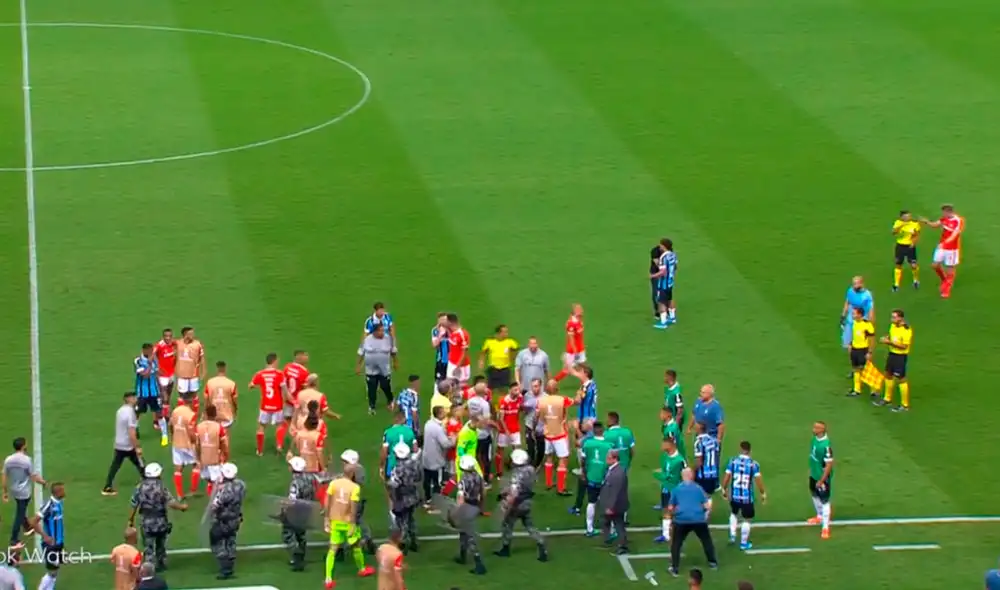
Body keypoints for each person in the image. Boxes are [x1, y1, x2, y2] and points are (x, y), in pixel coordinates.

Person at [323, 463, 376, 588]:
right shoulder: (354, 487)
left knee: (332, 549)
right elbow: (353, 507)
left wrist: (326, 518)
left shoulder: (334, 483)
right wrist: (352, 524)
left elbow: (327, 501)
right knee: (356, 544)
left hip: (335, 520)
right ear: (352, 474)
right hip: (347, 522)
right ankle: (362, 569)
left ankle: (328, 578)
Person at [128, 462, 188, 570]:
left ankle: (149, 568)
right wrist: (182, 507)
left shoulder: (139, 487)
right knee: (161, 544)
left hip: (146, 522)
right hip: (161, 521)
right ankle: (161, 564)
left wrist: (130, 520)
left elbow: (133, 505)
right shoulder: (161, 487)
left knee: (148, 546)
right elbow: (171, 502)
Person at [494, 449, 547, 561]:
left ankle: (505, 548)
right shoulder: (531, 469)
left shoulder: (516, 474)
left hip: (517, 503)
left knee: (507, 524)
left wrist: (507, 505)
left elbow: (514, 492)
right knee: (529, 525)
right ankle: (541, 543)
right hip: (527, 501)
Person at [667, 468, 718, 577]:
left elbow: (670, 507)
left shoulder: (676, 489)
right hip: (698, 519)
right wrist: (704, 513)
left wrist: (674, 516)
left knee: (676, 543)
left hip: (681, 520)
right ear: (692, 476)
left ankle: (675, 568)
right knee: (706, 540)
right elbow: (706, 506)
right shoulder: (698, 488)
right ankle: (712, 562)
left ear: (682, 476)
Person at [721, 441, 766, 550]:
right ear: (750, 451)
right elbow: (758, 480)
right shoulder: (753, 464)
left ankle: (732, 535)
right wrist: (762, 492)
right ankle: (743, 543)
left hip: (735, 496)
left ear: (740, 449)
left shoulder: (732, 461)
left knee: (734, 513)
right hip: (747, 498)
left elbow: (727, 477)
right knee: (747, 519)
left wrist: (724, 488)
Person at [2, 437, 45, 546]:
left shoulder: (8, 460)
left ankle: (26, 525)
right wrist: (43, 482)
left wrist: (5, 492)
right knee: (19, 514)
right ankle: (14, 538)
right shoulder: (27, 460)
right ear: (23, 446)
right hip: (24, 492)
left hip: (14, 490)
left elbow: (4, 476)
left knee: (21, 508)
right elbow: (33, 476)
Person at [103, 392, 144, 496]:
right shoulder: (130, 413)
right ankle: (149, 482)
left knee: (115, 465)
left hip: (119, 443)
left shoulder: (120, 410)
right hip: (128, 445)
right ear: (129, 399)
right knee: (140, 462)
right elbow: (131, 432)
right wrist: (137, 446)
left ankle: (107, 486)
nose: (136, 399)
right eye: (134, 397)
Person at [209, 463, 246, 579]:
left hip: (223, 520)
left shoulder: (224, 490)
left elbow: (215, 505)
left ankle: (225, 569)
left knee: (218, 542)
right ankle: (230, 566)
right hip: (235, 519)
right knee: (231, 541)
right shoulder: (241, 485)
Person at [920, 203, 964, 298]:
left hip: (952, 249)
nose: (943, 214)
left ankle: (946, 290)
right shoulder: (944, 218)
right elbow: (935, 225)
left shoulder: (958, 221)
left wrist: (945, 243)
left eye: (944, 212)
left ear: (950, 212)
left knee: (950, 269)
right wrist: (926, 222)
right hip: (942, 247)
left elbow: (954, 235)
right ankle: (944, 279)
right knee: (935, 265)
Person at [538, 380, 574, 495]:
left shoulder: (541, 401)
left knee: (549, 457)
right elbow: (576, 401)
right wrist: (580, 394)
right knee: (563, 459)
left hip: (548, 434)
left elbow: (540, 417)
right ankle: (560, 488)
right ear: (557, 389)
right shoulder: (562, 399)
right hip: (559, 434)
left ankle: (548, 483)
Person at [578, 422, 614, 537]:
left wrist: (583, 473)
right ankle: (611, 529)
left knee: (591, 502)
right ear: (603, 431)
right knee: (609, 503)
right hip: (605, 477)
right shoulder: (609, 445)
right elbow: (613, 463)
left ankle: (589, 529)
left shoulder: (587, 443)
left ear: (593, 431)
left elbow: (583, 460)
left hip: (591, 476)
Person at [453, 455, 487, 575]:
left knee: (470, 536)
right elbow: (483, 492)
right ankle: (462, 556)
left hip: (466, 507)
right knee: (463, 532)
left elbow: (460, 498)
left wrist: (457, 511)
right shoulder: (478, 476)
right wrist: (482, 507)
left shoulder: (463, 479)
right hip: (475, 506)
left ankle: (479, 564)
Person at [250, 353, 289, 456]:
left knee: (261, 427)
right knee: (280, 425)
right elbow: (284, 390)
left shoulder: (260, 374)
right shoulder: (279, 374)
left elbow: (251, 385)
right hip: (277, 405)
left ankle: (259, 451)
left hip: (265, 405)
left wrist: (257, 385)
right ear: (274, 361)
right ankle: (279, 446)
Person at [282, 456, 317, 571]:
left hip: (295, 512)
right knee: (301, 535)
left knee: (288, 535)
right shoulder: (310, 478)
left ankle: (296, 558)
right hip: (307, 510)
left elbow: (292, 500)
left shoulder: (295, 483)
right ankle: (301, 555)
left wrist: (284, 510)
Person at [876, 308, 914, 412]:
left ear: (900, 318)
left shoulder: (907, 330)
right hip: (892, 354)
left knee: (901, 379)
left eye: (894, 317)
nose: (892, 319)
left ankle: (905, 405)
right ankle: (887, 399)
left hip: (900, 357)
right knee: (888, 374)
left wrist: (889, 342)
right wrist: (886, 338)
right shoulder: (893, 326)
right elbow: (891, 335)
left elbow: (904, 346)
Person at [387, 444, 421, 554]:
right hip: (414, 495)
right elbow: (419, 477)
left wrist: (392, 497)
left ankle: (403, 543)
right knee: (410, 518)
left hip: (402, 497)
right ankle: (414, 541)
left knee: (402, 521)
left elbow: (394, 485)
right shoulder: (415, 464)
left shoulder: (397, 469)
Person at [357, 324, 398, 415]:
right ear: (375, 332)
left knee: (385, 385)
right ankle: (372, 406)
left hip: (384, 368)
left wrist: (395, 362)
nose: (382, 332)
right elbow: (361, 352)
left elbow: (393, 351)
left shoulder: (388, 339)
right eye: (380, 331)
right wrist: (358, 365)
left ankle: (390, 399)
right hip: (370, 369)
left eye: (383, 330)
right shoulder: (367, 340)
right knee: (372, 388)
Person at [32, 482, 66, 590]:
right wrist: (45, 536)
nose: (64, 492)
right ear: (58, 492)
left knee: (55, 571)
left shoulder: (59, 503)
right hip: (51, 545)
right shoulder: (49, 505)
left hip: (58, 543)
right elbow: (34, 522)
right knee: (52, 572)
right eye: (62, 490)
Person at [653, 437, 686, 544]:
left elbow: (685, 475)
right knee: (665, 510)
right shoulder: (665, 457)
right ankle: (666, 535)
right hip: (665, 488)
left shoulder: (680, 460)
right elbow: (664, 471)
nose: (662, 446)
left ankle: (674, 533)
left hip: (675, 490)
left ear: (670, 445)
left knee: (673, 512)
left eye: (664, 444)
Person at [421, 406, 455, 506]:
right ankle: (436, 502)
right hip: (436, 460)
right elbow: (445, 444)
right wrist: (453, 440)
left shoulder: (428, 423)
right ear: (439, 414)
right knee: (437, 482)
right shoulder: (438, 428)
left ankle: (427, 499)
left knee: (427, 480)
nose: (445, 414)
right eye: (443, 412)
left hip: (426, 458)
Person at [134, 342, 167, 447]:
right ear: (144, 351)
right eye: (150, 351)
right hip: (142, 393)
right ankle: (135, 430)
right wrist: (149, 363)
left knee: (159, 413)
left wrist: (162, 390)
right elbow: (145, 375)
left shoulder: (154, 360)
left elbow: (156, 374)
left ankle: (165, 436)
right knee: (137, 414)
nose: (152, 353)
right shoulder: (138, 361)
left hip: (154, 392)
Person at [806, 421, 834, 539]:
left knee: (824, 500)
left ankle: (825, 527)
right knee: (814, 494)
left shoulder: (826, 446)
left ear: (822, 430)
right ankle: (819, 516)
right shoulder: (815, 439)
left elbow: (829, 465)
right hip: (814, 473)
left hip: (822, 476)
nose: (814, 429)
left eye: (817, 427)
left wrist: (822, 480)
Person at [168, 392, 198, 500]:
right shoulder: (191, 414)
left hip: (176, 442)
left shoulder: (176, 411)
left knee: (178, 468)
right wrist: (195, 442)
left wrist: (173, 436)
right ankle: (193, 490)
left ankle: (179, 494)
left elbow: (170, 425)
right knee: (197, 464)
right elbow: (191, 432)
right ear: (191, 401)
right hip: (188, 444)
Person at [598, 450, 629, 554]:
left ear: (615, 459)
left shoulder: (617, 473)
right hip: (610, 503)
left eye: (608, 458)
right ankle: (608, 539)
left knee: (618, 525)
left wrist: (610, 507)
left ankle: (622, 546)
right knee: (604, 521)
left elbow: (615, 492)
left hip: (616, 506)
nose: (606, 460)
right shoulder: (613, 470)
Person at [194, 405, 229, 497]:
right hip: (215, 459)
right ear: (215, 414)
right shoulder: (219, 427)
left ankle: (212, 496)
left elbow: (197, 445)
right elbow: (224, 444)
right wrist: (225, 455)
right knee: (218, 481)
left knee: (209, 480)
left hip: (203, 459)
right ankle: (215, 500)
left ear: (205, 414)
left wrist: (198, 459)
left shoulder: (199, 427)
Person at [281, 350, 311, 450]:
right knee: (300, 424)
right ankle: (300, 443)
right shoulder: (304, 372)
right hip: (298, 403)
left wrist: (286, 397)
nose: (307, 357)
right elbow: (306, 389)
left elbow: (283, 384)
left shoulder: (287, 367)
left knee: (288, 422)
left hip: (288, 401)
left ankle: (288, 442)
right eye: (305, 355)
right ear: (298, 357)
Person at [840, 276, 875, 356]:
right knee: (848, 343)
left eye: (856, 284)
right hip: (850, 321)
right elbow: (847, 303)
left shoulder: (867, 295)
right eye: (853, 283)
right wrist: (843, 316)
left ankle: (864, 361)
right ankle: (853, 361)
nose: (854, 286)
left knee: (861, 344)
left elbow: (871, 310)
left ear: (862, 284)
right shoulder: (850, 291)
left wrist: (871, 324)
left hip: (862, 322)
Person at [846, 307, 876, 398]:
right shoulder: (855, 323)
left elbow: (872, 339)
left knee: (866, 369)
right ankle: (856, 390)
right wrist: (851, 344)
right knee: (855, 368)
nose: (852, 315)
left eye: (854, 314)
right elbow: (855, 336)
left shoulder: (867, 325)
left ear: (860, 315)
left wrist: (870, 352)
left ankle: (874, 390)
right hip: (855, 349)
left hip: (863, 350)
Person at [381, 412, 418, 486]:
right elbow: (415, 449)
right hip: (408, 465)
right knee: (408, 487)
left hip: (392, 465)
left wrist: (381, 466)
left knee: (392, 489)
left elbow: (384, 451)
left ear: (394, 420)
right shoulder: (409, 431)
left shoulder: (388, 432)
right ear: (404, 420)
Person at [479, 325, 519, 393]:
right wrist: (481, 362)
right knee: (491, 389)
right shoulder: (489, 342)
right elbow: (483, 353)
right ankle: (491, 402)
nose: (507, 334)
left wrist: (513, 358)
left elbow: (516, 349)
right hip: (493, 369)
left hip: (505, 369)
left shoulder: (510, 342)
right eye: (505, 332)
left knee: (504, 389)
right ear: (499, 333)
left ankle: (503, 402)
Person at [496, 383, 524, 476]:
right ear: (510, 390)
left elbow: (520, 409)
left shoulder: (520, 398)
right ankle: (499, 470)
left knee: (517, 449)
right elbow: (501, 418)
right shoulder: (504, 401)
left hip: (515, 429)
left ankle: (513, 464)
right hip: (504, 431)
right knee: (500, 449)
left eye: (518, 390)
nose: (517, 392)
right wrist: (506, 430)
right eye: (515, 390)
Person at [152, 329, 177, 432]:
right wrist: (157, 370)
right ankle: (157, 420)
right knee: (163, 398)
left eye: (169, 336)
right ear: (163, 336)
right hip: (162, 376)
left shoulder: (174, 344)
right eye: (166, 336)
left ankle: (165, 416)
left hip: (171, 375)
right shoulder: (159, 346)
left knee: (168, 397)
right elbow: (151, 356)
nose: (168, 338)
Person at [174, 326, 206, 406]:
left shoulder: (197, 344)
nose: (193, 335)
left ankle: (193, 414)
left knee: (193, 394)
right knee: (182, 395)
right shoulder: (177, 343)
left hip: (194, 374)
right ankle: (183, 413)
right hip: (181, 374)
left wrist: (203, 371)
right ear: (185, 334)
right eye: (190, 333)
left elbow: (202, 358)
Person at [651, 238, 678, 329]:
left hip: (663, 283)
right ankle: (672, 317)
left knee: (661, 302)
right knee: (670, 299)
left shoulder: (663, 257)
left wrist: (653, 276)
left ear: (664, 246)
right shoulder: (673, 255)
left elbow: (663, 272)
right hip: (670, 282)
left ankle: (663, 323)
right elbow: (675, 267)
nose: (660, 246)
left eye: (661, 245)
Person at [554, 304, 586, 382]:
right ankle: (553, 381)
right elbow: (571, 340)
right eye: (579, 309)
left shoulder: (579, 320)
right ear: (575, 311)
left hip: (580, 349)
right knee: (566, 370)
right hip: (572, 351)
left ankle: (585, 384)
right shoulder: (571, 323)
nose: (582, 310)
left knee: (583, 368)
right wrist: (576, 353)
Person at [203, 361, 238, 429]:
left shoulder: (210, 382)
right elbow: (235, 400)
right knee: (226, 437)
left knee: (214, 436)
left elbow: (206, 399)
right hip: (227, 416)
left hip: (213, 416)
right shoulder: (231, 383)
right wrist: (235, 411)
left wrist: (205, 412)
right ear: (225, 369)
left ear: (217, 369)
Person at [892, 210, 921, 291]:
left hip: (910, 247)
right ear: (902, 217)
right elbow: (893, 232)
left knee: (913, 265)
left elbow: (917, 235)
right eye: (906, 216)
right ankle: (896, 284)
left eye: (909, 216)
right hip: (900, 246)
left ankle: (916, 280)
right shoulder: (898, 222)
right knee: (898, 264)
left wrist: (913, 243)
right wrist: (901, 226)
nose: (909, 217)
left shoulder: (914, 224)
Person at [520, 379, 546, 469]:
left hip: (541, 427)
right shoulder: (527, 395)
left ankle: (537, 464)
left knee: (541, 449)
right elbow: (522, 408)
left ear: (540, 386)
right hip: (529, 425)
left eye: (536, 386)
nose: (534, 388)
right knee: (530, 448)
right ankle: (530, 466)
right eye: (533, 386)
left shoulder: (545, 397)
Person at [693, 422, 720, 497]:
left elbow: (699, 462)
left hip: (703, 474)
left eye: (695, 427)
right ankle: (708, 508)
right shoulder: (714, 441)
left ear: (699, 430)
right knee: (708, 496)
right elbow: (717, 456)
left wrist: (693, 472)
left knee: (700, 496)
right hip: (713, 473)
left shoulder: (699, 442)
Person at [445, 314, 472, 386]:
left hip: (461, 366)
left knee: (461, 388)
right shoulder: (452, 332)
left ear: (450, 322)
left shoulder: (463, 334)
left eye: (445, 321)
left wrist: (458, 367)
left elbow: (464, 353)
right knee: (449, 387)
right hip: (452, 363)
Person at [395, 375, 421, 442]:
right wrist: (416, 427)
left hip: (401, 421)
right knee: (411, 442)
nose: (419, 384)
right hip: (410, 424)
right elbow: (414, 413)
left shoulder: (402, 392)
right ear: (415, 383)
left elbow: (398, 406)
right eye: (418, 382)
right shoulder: (414, 396)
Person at [431, 312, 450, 382]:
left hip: (452, 360)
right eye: (441, 320)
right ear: (438, 320)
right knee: (439, 381)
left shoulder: (452, 330)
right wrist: (440, 335)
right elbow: (434, 345)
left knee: (451, 381)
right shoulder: (435, 330)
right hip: (440, 360)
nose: (443, 322)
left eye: (445, 320)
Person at [649, 241, 664, 318]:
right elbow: (657, 263)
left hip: (665, 274)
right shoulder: (655, 251)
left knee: (666, 292)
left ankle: (665, 310)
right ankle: (657, 311)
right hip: (656, 274)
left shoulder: (669, 250)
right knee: (656, 293)